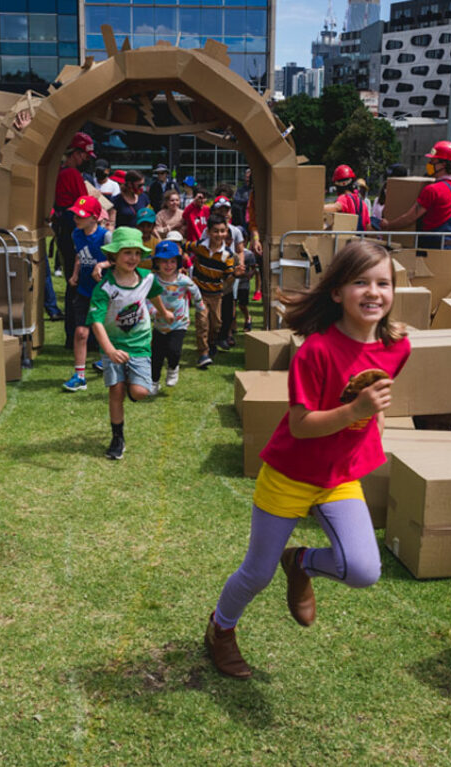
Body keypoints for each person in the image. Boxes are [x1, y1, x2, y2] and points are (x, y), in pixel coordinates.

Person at [204, 240, 411, 679]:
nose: (374, 292)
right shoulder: (316, 351)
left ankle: (300, 563)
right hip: (289, 475)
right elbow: (300, 425)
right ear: (337, 292)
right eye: (361, 282)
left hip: (339, 477)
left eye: (384, 283)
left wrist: (375, 422)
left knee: (363, 570)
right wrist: (356, 411)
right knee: (256, 575)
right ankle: (220, 630)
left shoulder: (398, 346)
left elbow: (380, 394)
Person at [87, 227, 173, 460]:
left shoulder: (147, 278)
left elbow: (154, 293)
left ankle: (130, 384)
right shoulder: (105, 288)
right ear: (114, 256)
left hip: (140, 344)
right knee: (115, 391)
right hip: (113, 344)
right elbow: (96, 322)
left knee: (140, 392)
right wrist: (110, 351)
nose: (133, 258)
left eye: (137, 253)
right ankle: (117, 437)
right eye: (127, 253)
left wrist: (164, 312)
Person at [63, 195, 112, 392]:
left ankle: (107, 359)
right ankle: (80, 375)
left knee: (108, 331)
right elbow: (80, 255)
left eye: (80, 215)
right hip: (83, 291)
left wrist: (102, 264)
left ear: (94, 217)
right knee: (81, 332)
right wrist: (75, 274)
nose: (76, 218)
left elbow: (119, 259)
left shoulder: (105, 236)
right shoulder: (76, 234)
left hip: (104, 292)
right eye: (75, 214)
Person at [381, 141, 451, 250]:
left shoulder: (432, 190)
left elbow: (410, 218)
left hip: (432, 248)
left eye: (432, 161)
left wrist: (389, 225)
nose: (429, 164)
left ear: (443, 164)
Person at [53, 131, 96, 335]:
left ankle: (74, 332)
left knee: (74, 281)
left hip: (65, 228)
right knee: (78, 281)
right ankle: (76, 332)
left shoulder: (62, 172)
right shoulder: (71, 174)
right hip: (74, 229)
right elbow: (85, 203)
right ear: (76, 152)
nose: (86, 159)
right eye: (85, 155)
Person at [149, 240, 205, 395]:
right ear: (157, 263)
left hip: (179, 323)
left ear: (178, 262)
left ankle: (173, 368)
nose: (168, 265)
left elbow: (195, 291)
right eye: (164, 261)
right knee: (157, 355)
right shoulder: (153, 280)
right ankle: (153, 382)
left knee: (174, 350)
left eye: (172, 261)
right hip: (160, 325)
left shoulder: (183, 280)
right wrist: (154, 312)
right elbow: (148, 299)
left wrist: (200, 307)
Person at [189, 212, 242, 367]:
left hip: (216, 294)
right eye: (216, 231)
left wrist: (236, 274)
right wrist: (182, 261)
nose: (219, 234)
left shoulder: (227, 255)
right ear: (208, 232)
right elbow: (184, 246)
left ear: (226, 232)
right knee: (202, 322)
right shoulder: (200, 247)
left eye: (222, 231)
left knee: (216, 323)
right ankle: (203, 353)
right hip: (200, 293)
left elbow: (228, 276)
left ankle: (211, 342)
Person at [211, 195, 245, 348]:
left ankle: (225, 335)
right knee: (213, 311)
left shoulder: (235, 230)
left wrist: (240, 267)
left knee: (228, 306)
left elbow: (240, 250)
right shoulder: (210, 229)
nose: (224, 212)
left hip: (231, 272)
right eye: (220, 209)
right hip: (213, 274)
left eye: (226, 209)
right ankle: (212, 338)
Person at [323, 165, 371, 232]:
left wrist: (314, 209)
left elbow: (336, 207)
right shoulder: (362, 203)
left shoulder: (344, 198)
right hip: (360, 240)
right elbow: (368, 226)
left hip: (347, 241)